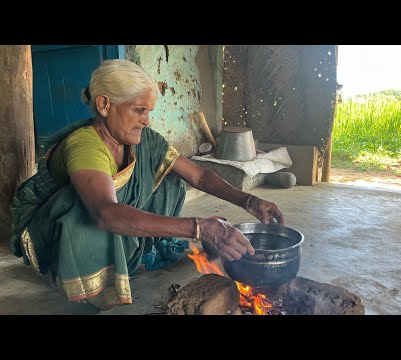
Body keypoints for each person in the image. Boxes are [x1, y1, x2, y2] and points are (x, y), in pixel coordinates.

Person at [9, 59, 285, 311]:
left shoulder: (143, 141)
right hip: (57, 226)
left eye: (148, 111)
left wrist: (248, 201)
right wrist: (200, 228)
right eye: (139, 110)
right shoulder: (85, 145)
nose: (147, 120)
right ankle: (78, 270)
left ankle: (132, 255)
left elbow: (198, 176)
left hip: (109, 212)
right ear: (104, 105)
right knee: (83, 209)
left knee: (169, 181)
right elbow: (106, 212)